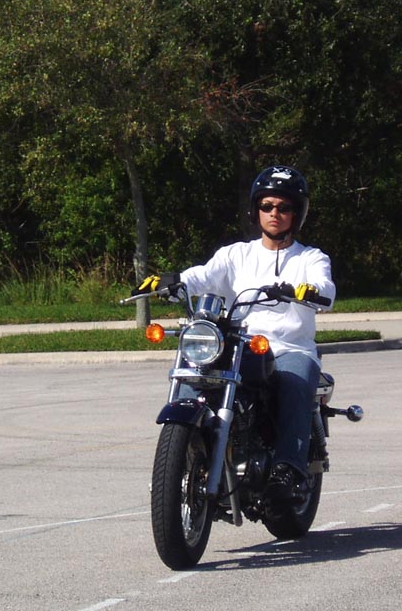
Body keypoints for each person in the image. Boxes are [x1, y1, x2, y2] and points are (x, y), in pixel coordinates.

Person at [135, 165, 336, 501]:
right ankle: (179, 460)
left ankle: (287, 467)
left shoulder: (310, 258)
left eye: (284, 207)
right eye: (267, 206)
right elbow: (203, 275)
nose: (275, 213)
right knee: (194, 372)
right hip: (237, 344)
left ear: (297, 213)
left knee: (294, 382)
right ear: (256, 210)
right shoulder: (236, 254)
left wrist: (312, 291)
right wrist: (174, 281)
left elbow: (325, 287)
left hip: (289, 347)